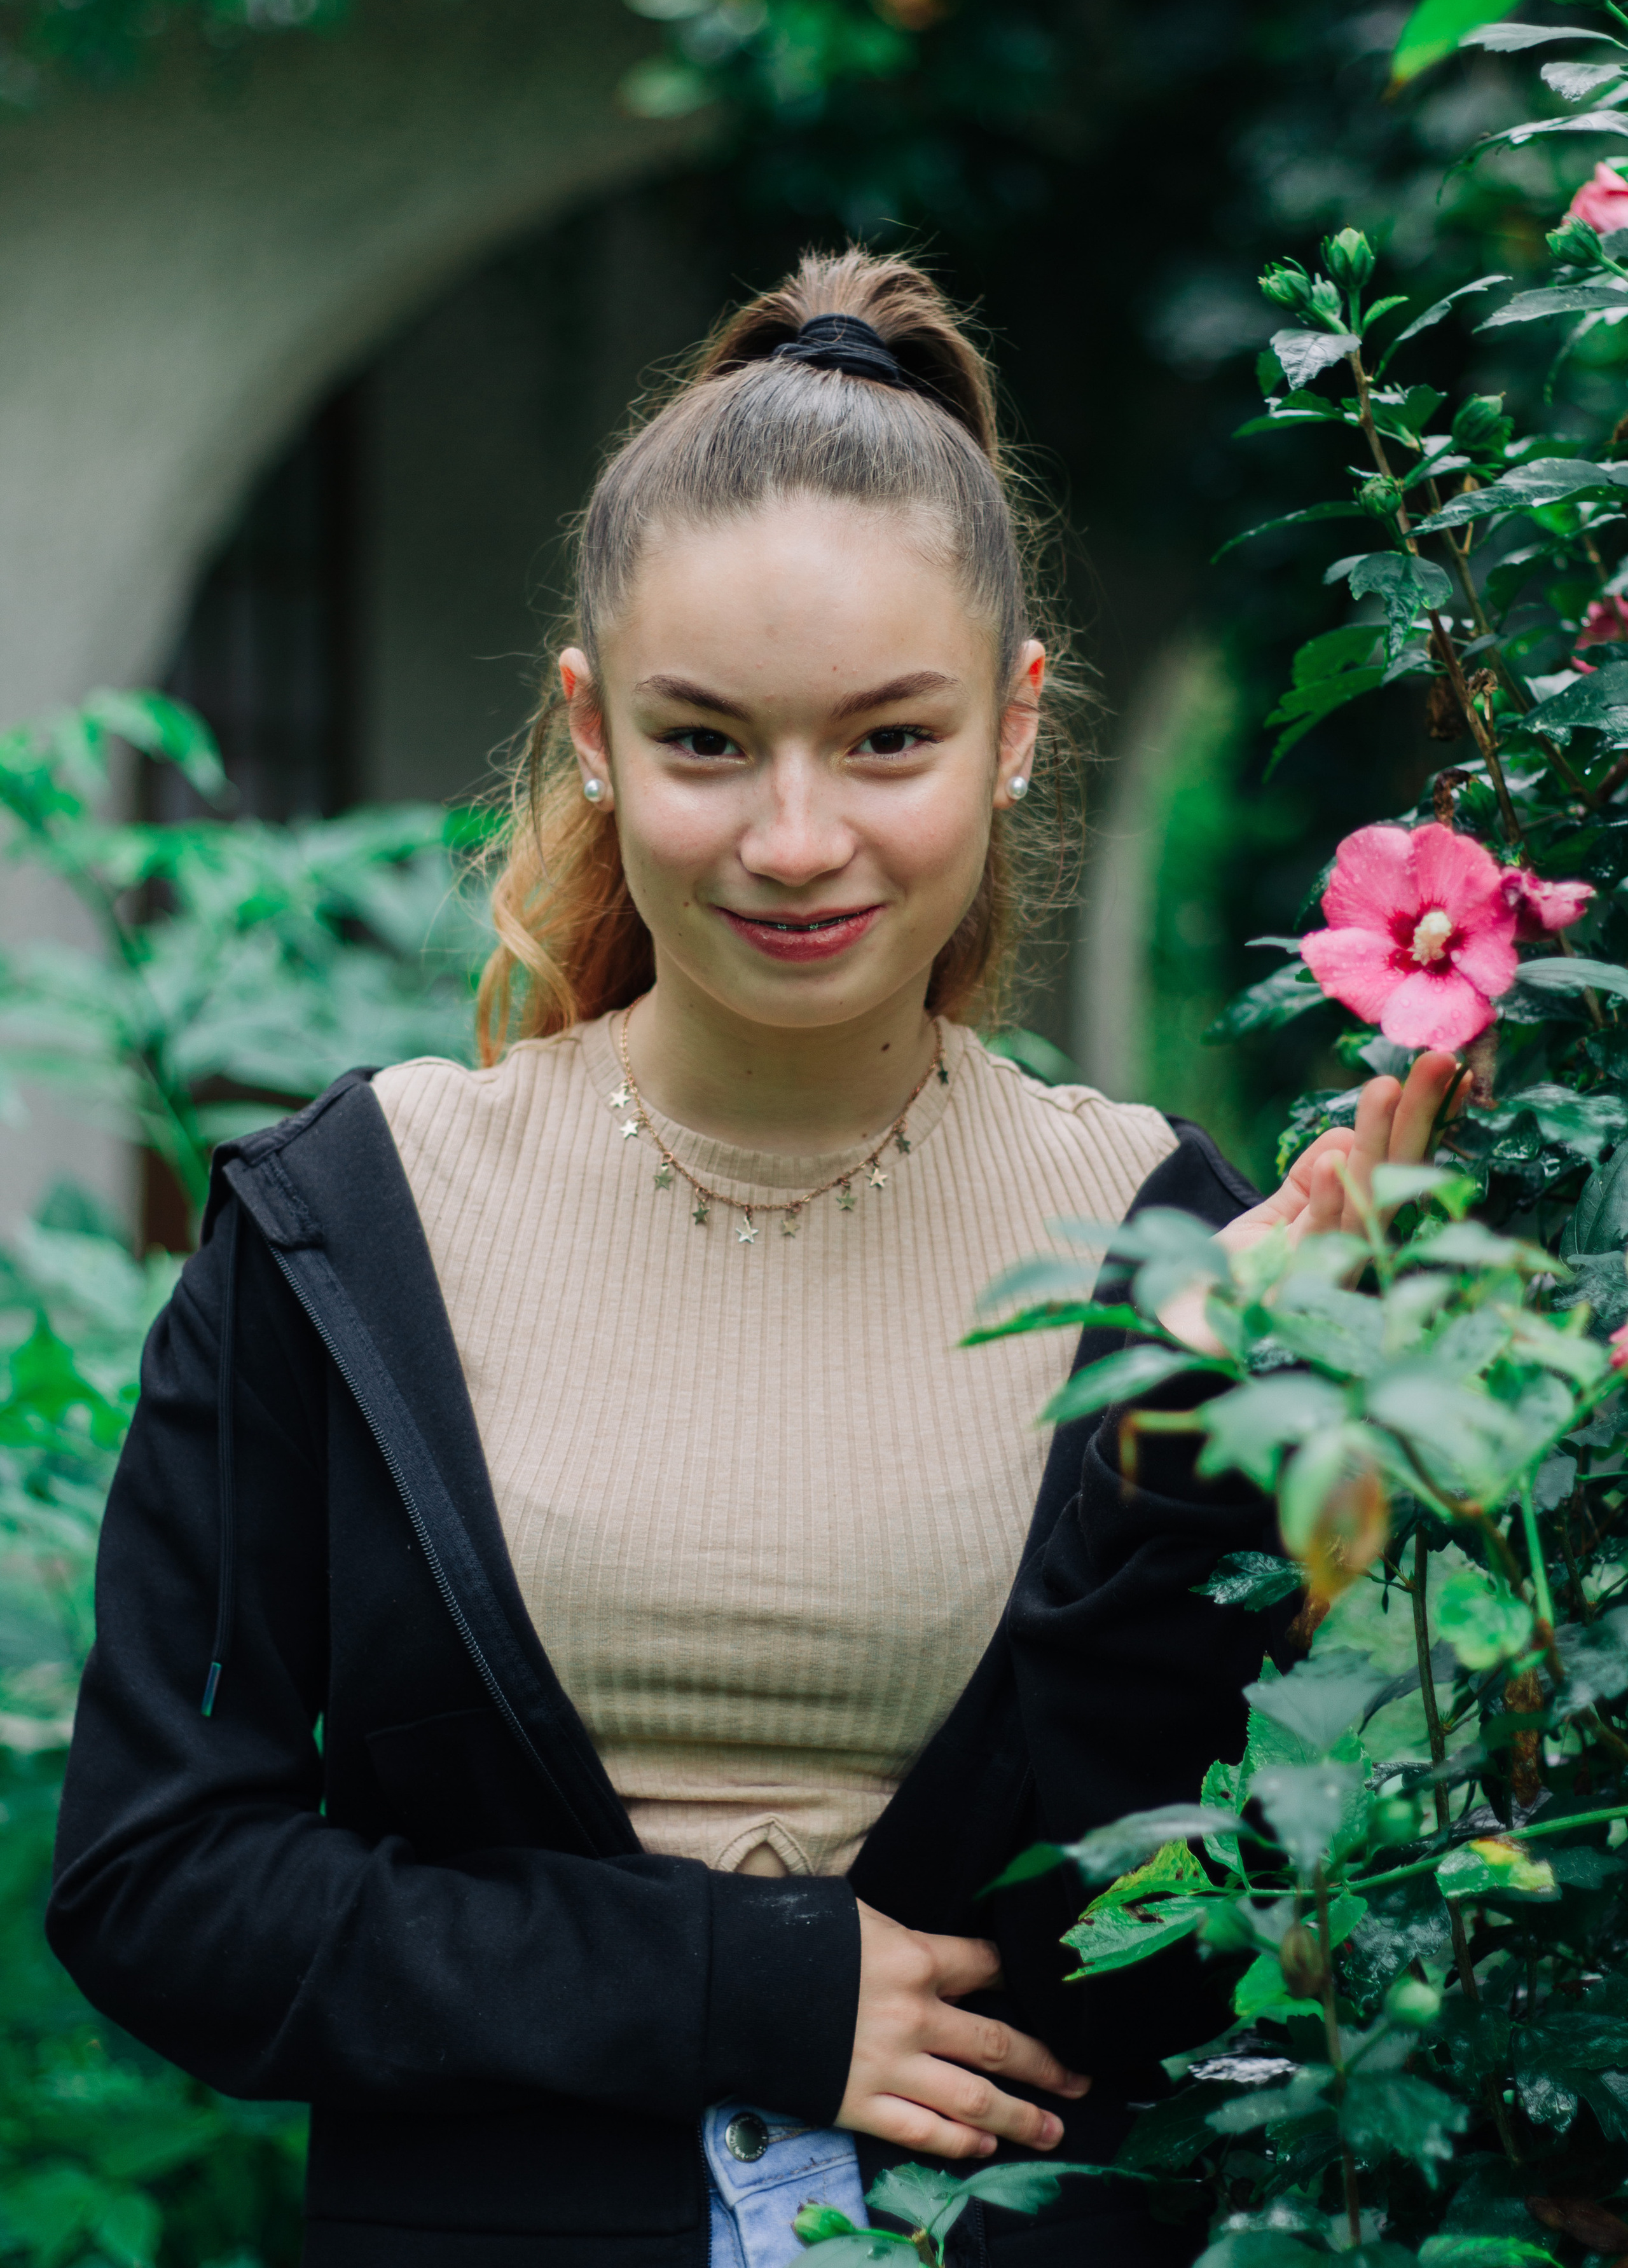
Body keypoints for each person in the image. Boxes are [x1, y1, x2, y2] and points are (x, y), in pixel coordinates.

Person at [47, 252, 1458, 2268]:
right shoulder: (347, 1224)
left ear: (1018, 727)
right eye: (707, 744)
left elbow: (1191, 1961)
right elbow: (163, 1884)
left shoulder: (1171, 1232)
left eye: (888, 741)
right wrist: (738, 1988)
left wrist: (1193, 1451)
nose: (796, 842)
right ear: (594, 729)